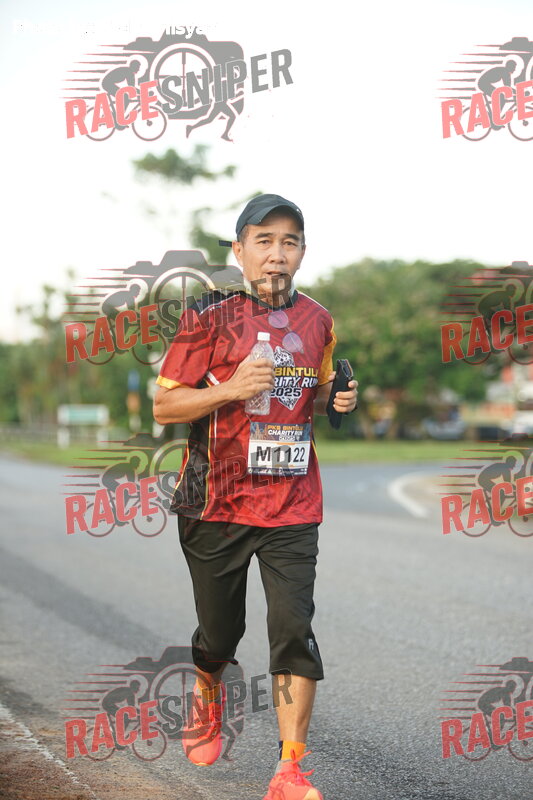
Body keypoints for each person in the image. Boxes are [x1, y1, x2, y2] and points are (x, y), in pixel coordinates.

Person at [153, 194, 358, 800]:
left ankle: (291, 770)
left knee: (294, 629)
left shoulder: (319, 321)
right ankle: (208, 686)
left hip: (293, 502)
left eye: (289, 242)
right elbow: (165, 405)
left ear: (303, 252)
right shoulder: (206, 317)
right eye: (263, 241)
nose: (276, 254)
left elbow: (312, 392)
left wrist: (337, 398)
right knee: (220, 635)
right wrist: (231, 388)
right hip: (214, 502)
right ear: (239, 251)